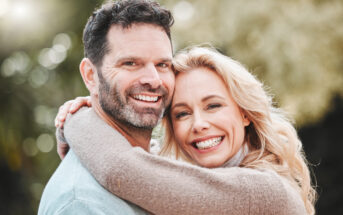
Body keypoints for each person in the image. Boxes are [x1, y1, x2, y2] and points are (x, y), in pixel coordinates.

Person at [57, 47, 316, 214]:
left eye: (213, 106)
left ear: (244, 113)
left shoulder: (263, 192)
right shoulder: (195, 177)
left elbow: (121, 169)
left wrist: (75, 119)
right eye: (182, 113)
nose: (199, 124)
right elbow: (148, 160)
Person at [38, 0, 175, 214]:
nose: (154, 80)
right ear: (91, 76)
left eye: (162, 65)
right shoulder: (82, 203)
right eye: (131, 63)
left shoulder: (162, 165)